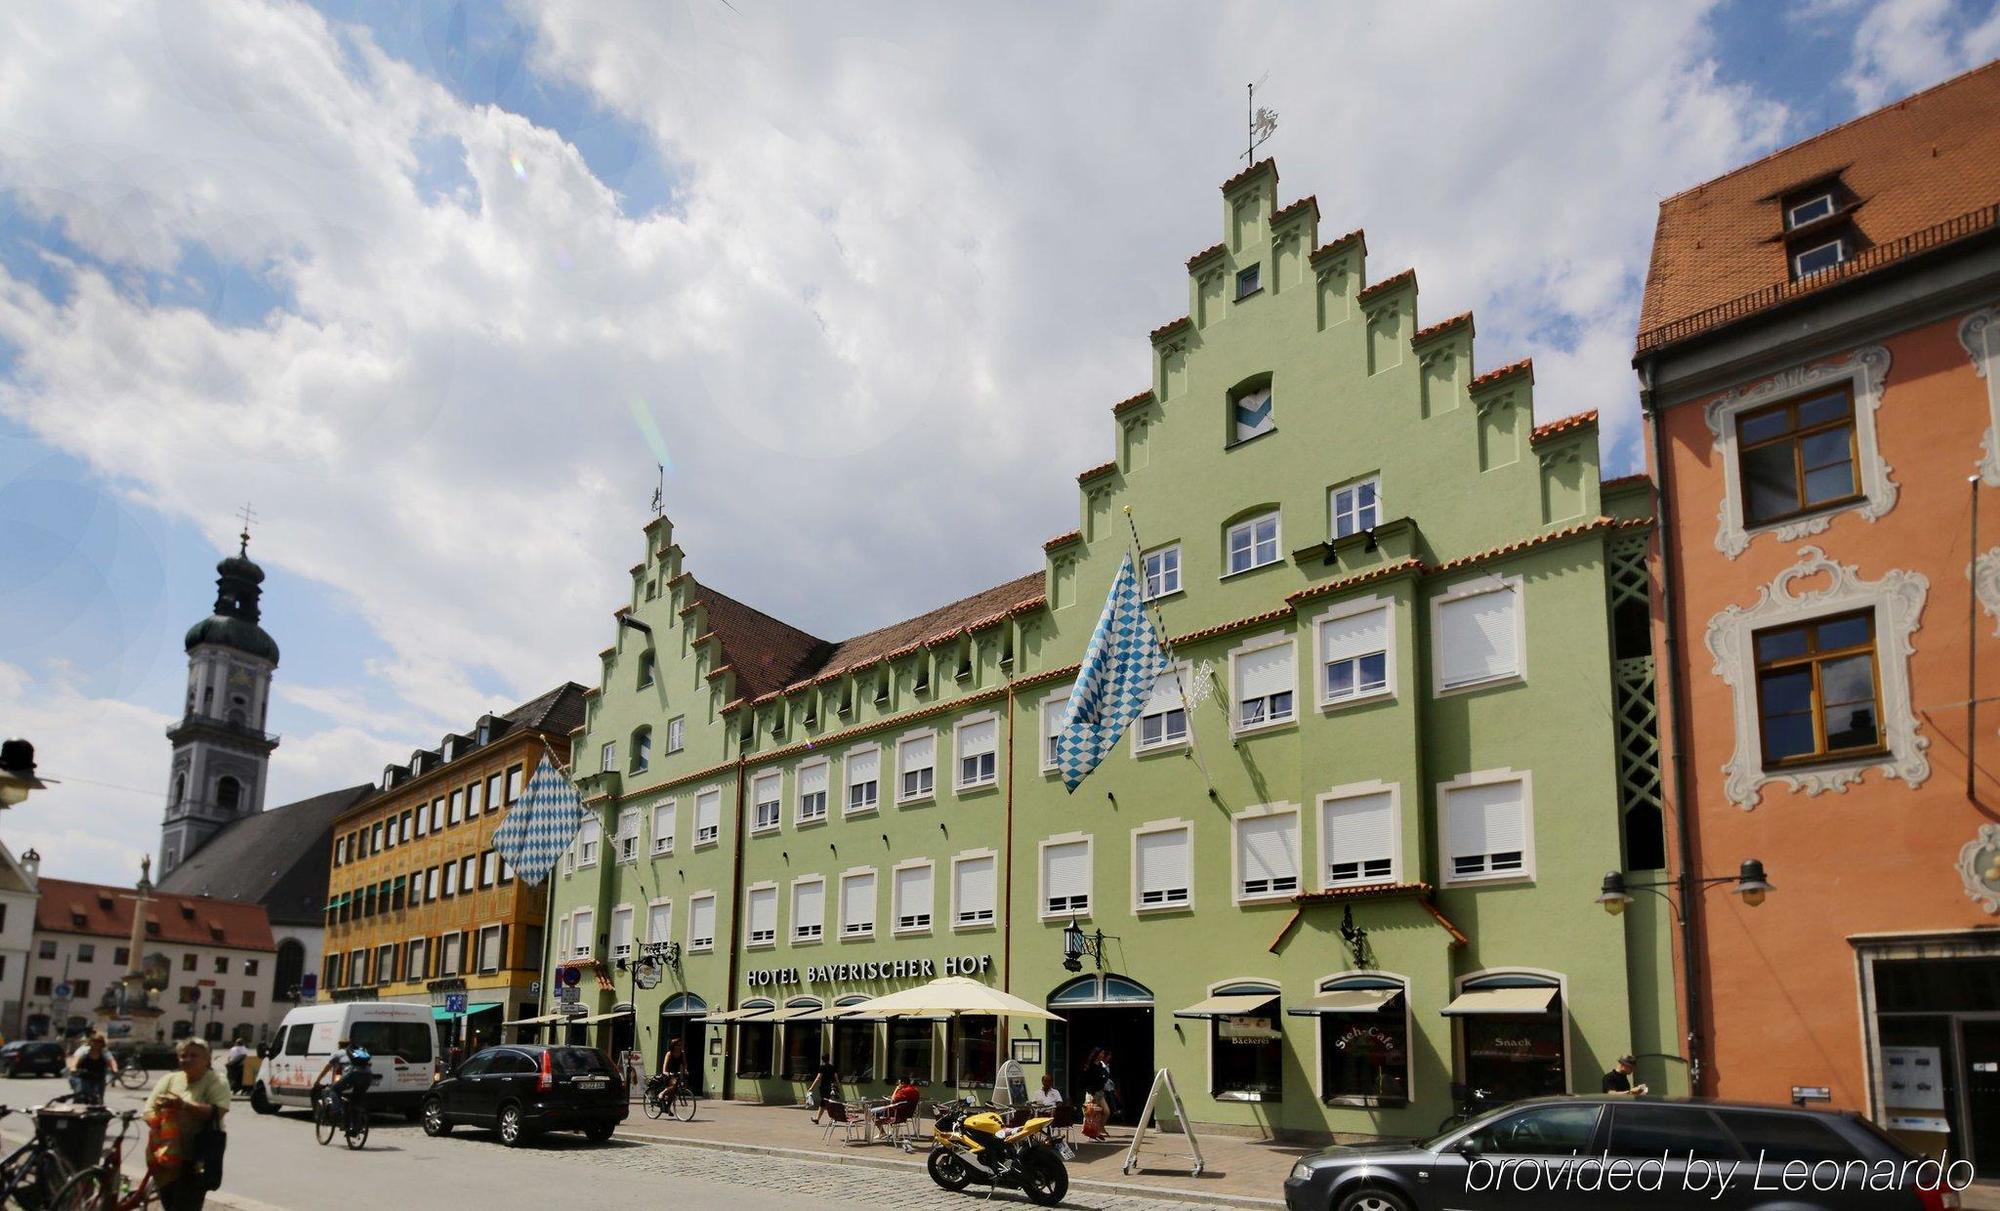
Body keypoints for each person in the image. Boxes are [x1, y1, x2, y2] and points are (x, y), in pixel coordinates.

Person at [145, 1038, 230, 1211]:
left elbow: (218, 1112)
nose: (187, 1059)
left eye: (194, 1055)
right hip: (166, 1156)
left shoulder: (216, 1080)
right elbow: (148, 1110)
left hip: (197, 1157)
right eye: (183, 1055)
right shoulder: (169, 1079)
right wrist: (162, 1119)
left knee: (187, 1205)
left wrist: (183, 1105)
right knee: (169, 1203)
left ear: (207, 1059)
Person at [68, 1033, 118, 1104]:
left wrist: (115, 1069)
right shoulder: (84, 1050)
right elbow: (75, 1060)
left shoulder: (104, 1052)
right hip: (83, 1077)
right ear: (90, 1042)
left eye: (99, 1042)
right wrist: (73, 1068)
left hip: (98, 1077)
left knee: (98, 1098)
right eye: (94, 1041)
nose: (96, 1044)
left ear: (102, 1043)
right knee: (81, 1094)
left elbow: (112, 1061)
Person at [807, 1054, 839, 1122]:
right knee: (825, 1103)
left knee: (826, 1103)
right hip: (831, 1087)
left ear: (822, 1060)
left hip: (824, 1088)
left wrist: (811, 1087)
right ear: (829, 1059)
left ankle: (833, 1118)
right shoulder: (832, 1067)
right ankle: (818, 1119)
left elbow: (818, 1078)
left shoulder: (822, 1067)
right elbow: (836, 1077)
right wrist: (838, 1086)